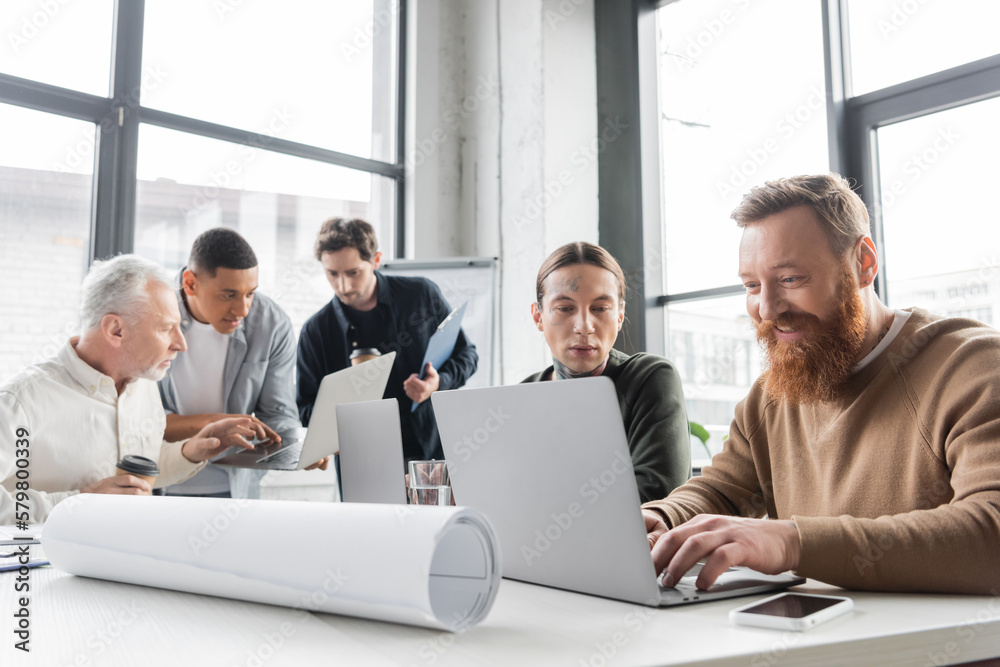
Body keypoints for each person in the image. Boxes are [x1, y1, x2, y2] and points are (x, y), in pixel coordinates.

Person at [643, 173, 1000, 595]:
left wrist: (792, 541)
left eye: (791, 279)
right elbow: (722, 492)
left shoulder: (972, 366)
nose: (768, 308)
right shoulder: (770, 396)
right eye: (752, 286)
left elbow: (990, 530)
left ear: (863, 264)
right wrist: (662, 518)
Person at [0, 255, 259, 523]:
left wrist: (191, 452)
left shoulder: (143, 385)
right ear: (116, 330)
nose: (181, 344)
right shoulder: (21, 402)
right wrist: (78, 502)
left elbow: (134, 477)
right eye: (166, 329)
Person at [158, 228, 326, 500]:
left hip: (235, 490)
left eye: (250, 294)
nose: (243, 310)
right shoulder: (151, 316)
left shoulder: (272, 323)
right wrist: (219, 423)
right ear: (190, 283)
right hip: (158, 485)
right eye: (228, 295)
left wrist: (300, 448)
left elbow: (278, 411)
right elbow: (141, 422)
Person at [297, 217, 478, 463]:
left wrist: (437, 383)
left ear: (376, 260)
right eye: (332, 274)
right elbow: (306, 410)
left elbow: (467, 355)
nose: (344, 286)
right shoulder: (315, 331)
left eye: (353, 272)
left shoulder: (420, 295)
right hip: (360, 462)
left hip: (432, 452)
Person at [522, 242, 690, 503]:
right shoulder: (522, 395)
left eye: (600, 308)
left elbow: (656, 499)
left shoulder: (649, 378)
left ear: (620, 316)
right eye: (565, 308)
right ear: (538, 318)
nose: (584, 326)